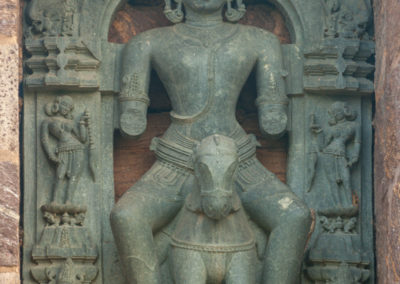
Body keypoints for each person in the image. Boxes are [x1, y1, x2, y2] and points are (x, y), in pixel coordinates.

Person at [111, 1, 311, 283]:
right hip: (177, 159)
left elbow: (273, 120)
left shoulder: (260, 41)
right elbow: (132, 122)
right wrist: (131, 109)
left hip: (239, 160)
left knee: (295, 217)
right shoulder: (147, 43)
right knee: (126, 217)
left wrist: (274, 108)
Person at [41, 96, 89, 204]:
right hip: (62, 149)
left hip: (77, 149)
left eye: (69, 107)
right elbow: (44, 140)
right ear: (58, 104)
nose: (66, 108)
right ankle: (54, 200)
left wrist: (82, 124)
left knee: (74, 176)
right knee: (60, 175)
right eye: (64, 105)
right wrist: (50, 154)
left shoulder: (70, 122)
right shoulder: (48, 121)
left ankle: (68, 201)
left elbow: (82, 139)